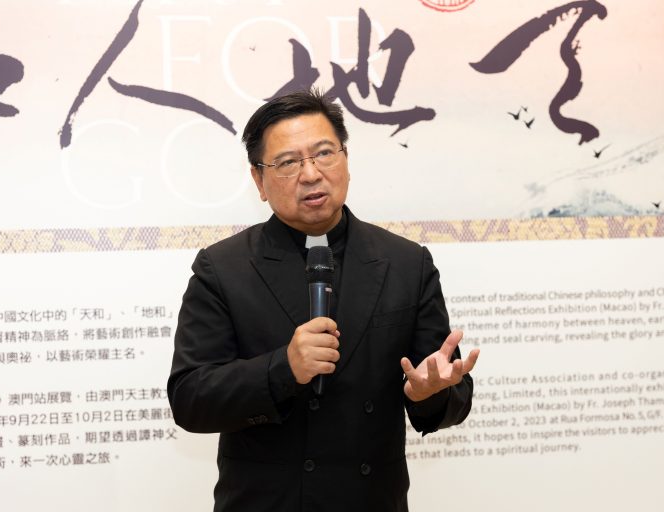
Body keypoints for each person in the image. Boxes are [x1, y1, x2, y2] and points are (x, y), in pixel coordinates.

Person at [167, 89, 479, 512]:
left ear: (346, 159)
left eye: (324, 154)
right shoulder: (222, 268)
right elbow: (189, 399)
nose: (311, 174)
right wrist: (283, 368)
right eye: (288, 162)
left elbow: (449, 391)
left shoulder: (406, 263)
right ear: (258, 180)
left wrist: (431, 393)